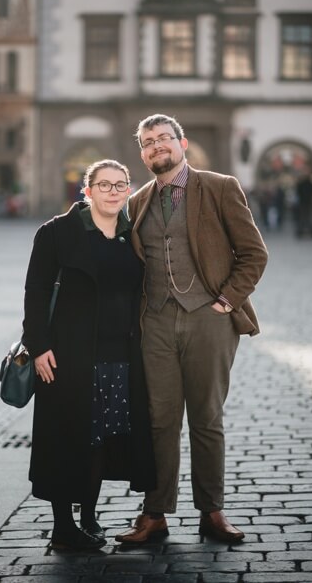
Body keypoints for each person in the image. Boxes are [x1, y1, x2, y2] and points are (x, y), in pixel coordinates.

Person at [115, 114, 267, 545]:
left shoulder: (220, 187)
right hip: (156, 322)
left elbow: (254, 254)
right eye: (148, 142)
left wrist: (225, 301)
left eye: (164, 138)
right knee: (159, 421)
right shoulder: (137, 200)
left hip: (209, 319)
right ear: (142, 152)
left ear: (182, 143)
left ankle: (212, 512)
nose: (157, 146)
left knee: (206, 419)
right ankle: (155, 513)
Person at [23, 160, 157, 551]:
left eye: (121, 185)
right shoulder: (57, 232)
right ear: (88, 191)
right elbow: (35, 289)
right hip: (68, 353)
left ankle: (89, 515)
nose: (114, 192)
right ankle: (63, 527)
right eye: (104, 185)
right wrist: (39, 345)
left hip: (120, 354)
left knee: (101, 438)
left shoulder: (132, 234)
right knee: (68, 437)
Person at [295, 172, 312, 239]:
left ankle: (300, 231)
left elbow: (298, 191)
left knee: (303, 217)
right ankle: (311, 232)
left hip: (303, 202)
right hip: (309, 202)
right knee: (309, 217)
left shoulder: (301, 183)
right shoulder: (311, 184)